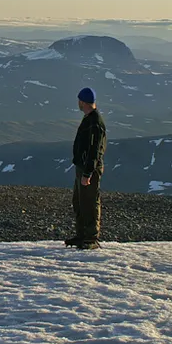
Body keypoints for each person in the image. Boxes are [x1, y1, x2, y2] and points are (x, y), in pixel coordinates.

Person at [66, 87, 107, 249]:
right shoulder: (89, 119)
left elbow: (95, 150)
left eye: (79, 101)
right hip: (83, 167)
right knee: (79, 201)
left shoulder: (95, 122)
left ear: (83, 102)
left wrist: (88, 173)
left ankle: (91, 238)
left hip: (89, 169)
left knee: (89, 201)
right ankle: (81, 235)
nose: (78, 103)